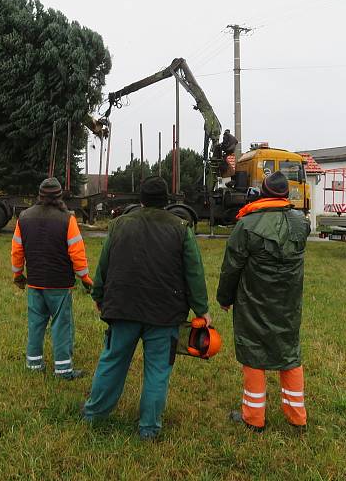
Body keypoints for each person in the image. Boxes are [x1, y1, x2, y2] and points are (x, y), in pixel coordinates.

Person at [82, 176, 210, 440]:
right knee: (158, 370)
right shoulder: (181, 228)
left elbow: (104, 264)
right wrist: (202, 310)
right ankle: (149, 428)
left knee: (112, 362)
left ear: (140, 199)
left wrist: (98, 294)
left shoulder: (118, 225)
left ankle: (94, 415)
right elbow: (193, 272)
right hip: (165, 314)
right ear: (167, 201)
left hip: (122, 307)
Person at [217, 171, 310, 433]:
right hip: (289, 301)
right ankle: (296, 417)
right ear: (286, 194)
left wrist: (225, 298)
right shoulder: (300, 222)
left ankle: (254, 418)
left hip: (253, 299)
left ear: (264, 193)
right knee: (289, 352)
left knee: (254, 352)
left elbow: (231, 266)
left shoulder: (247, 225)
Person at [11, 177, 93, 380]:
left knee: (36, 324)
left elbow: (17, 250)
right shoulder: (67, 219)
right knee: (61, 325)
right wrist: (85, 277)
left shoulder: (24, 217)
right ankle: (64, 370)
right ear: (59, 196)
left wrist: (18, 274)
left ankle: (33, 364)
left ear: (39, 196)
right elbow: (77, 253)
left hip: (34, 282)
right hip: (59, 284)